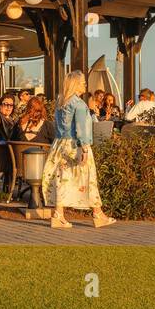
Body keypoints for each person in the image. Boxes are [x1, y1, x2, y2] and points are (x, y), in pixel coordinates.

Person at [43, 70, 115, 230]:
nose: (85, 85)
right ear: (76, 84)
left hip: (60, 144)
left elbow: (57, 125)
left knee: (62, 179)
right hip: (76, 145)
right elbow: (82, 129)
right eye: (83, 82)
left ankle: (59, 214)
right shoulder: (79, 105)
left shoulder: (61, 102)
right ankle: (97, 214)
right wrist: (84, 148)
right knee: (89, 178)